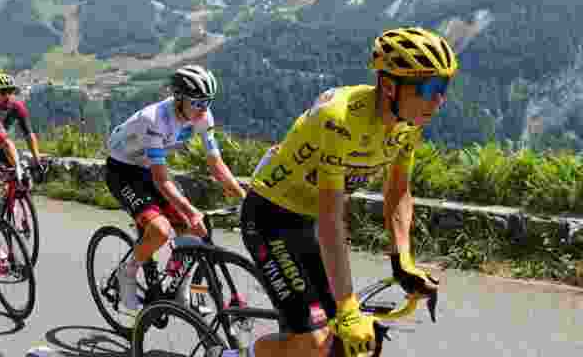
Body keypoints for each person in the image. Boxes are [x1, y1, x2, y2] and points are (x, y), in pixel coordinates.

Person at [231, 27, 455, 357]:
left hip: (308, 220)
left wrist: (402, 259)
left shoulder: (409, 122)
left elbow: (398, 192)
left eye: (444, 87)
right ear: (390, 86)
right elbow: (331, 218)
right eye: (430, 88)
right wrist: (347, 306)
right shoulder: (340, 120)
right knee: (315, 342)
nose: (439, 100)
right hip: (270, 216)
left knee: (352, 344)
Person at [105, 64, 246, 311]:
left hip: (150, 169)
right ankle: (125, 274)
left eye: (208, 102)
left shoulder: (203, 117)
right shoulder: (155, 120)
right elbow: (161, 180)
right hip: (123, 171)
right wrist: (191, 211)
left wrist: (245, 197)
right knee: (160, 230)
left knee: (194, 235)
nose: (203, 110)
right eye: (197, 103)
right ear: (179, 98)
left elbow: (216, 164)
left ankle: (181, 288)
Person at [0, 72, 45, 179]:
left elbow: (28, 134)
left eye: (10, 91)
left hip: (0, 144)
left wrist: (37, 159)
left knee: (18, 176)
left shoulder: (16, 106)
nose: (8, 95)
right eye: (4, 92)